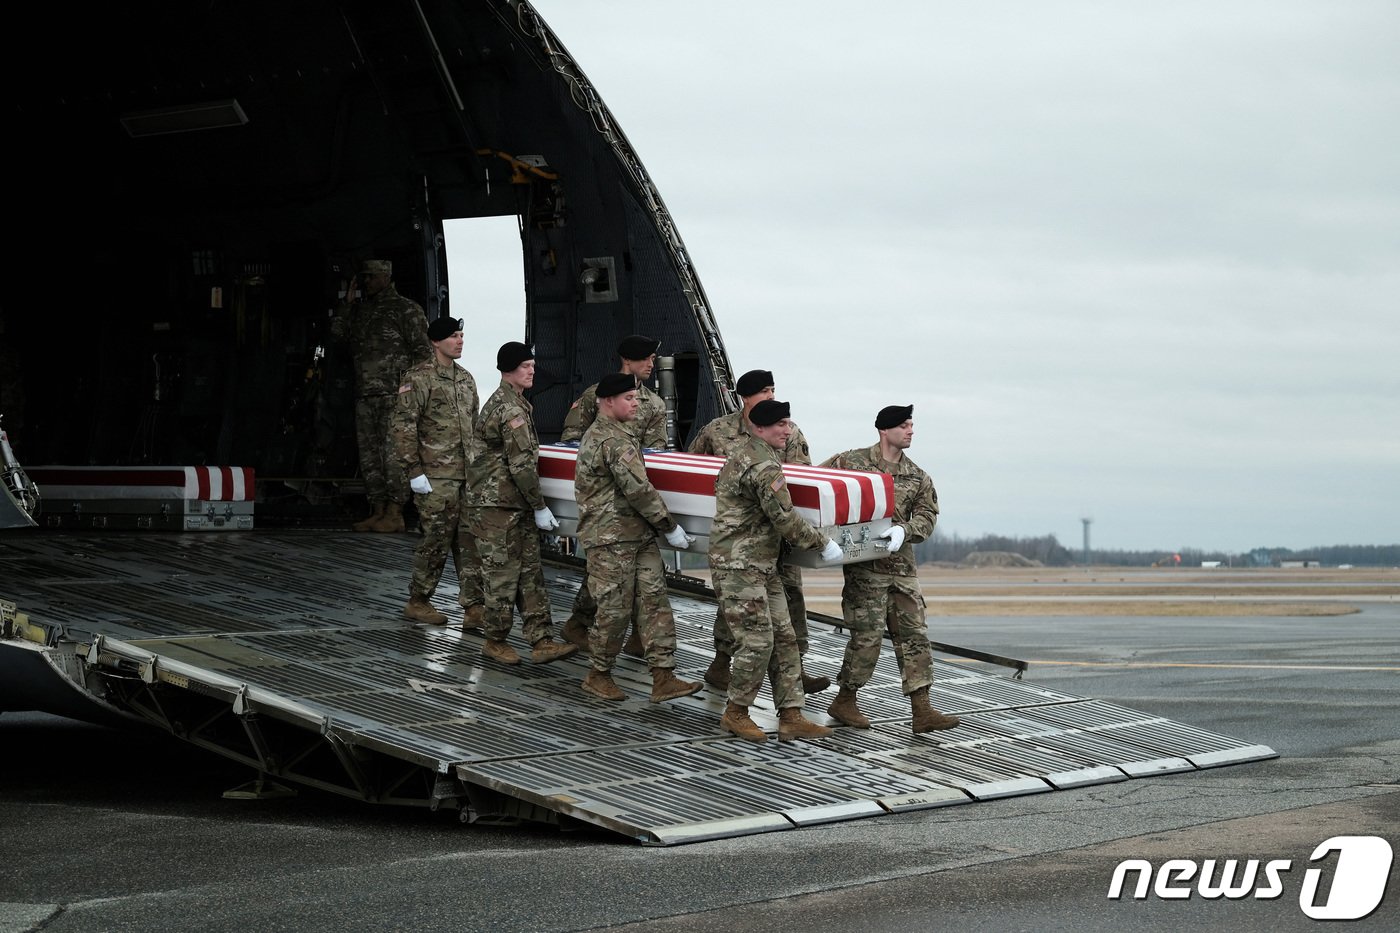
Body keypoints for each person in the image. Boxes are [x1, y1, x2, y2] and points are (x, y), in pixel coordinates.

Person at [708, 399, 843, 743]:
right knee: (757, 641)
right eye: (781, 424)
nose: (788, 430)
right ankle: (736, 712)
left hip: (760, 564)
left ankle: (791, 715)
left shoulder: (759, 457)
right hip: (740, 566)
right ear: (760, 428)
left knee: (785, 638)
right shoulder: (761, 465)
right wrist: (822, 543)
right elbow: (785, 518)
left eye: (788, 423)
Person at [820, 405, 960, 733]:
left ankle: (922, 709)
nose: (911, 431)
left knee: (914, 637)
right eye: (903, 425)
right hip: (865, 569)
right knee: (866, 637)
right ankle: (845, 699)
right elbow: (816, 487)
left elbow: (927, 517)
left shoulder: (918, 476)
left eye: (912, 425)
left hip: (902, 568)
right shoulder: (851, 462)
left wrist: (905, 530)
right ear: (884, 430)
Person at [687, 369, 828, 695]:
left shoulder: (788, 433)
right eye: (764, 391)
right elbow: (693, 469)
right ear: (744, 397)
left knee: (790, 597)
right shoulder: (717, 431)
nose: (770, 396)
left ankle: (796, 668)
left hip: (783, 532)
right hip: (742, 537)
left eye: (772, 389)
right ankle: (722, 662)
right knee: (737, 604)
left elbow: (802, 482)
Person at [573, 373, 702, 703]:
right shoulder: (610, 439)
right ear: (607, 402)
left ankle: (663, 676)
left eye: (635, 398)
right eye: (629, 399)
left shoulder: (621, 435)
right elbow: (639, 490)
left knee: (654, 602)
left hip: (637, 535)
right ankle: (598, 674)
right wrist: (669, 525)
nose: (635, 404)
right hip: (611, 537)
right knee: (614, 610)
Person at [469, 341, 577, 664]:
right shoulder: (511, 409)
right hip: (498, 506)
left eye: (532, 365)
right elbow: (521, 465)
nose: (532, 371)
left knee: (530, 572)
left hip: (512, 504)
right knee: (502, 574)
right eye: (525, 366)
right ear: (509, 370)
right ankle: (495, 639)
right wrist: (539, 505)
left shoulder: (515, 402)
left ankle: (542, 638)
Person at [558, 334, 668, 649]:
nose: (651, 364)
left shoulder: (655, 405)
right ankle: (580, 623)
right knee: (608, 571)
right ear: (627, 361)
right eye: (646, 358)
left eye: (652, 359)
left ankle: (638, 633)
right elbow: (571, 441)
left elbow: (656, 453)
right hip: (603, 498)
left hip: (635, 496)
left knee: (638, 571)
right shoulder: (597, 395)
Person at [331, 258, 432, 533]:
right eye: (364, 277)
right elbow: (337, 336)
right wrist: (347, 304)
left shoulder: (406, 309)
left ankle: (395, 512)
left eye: (372, 276)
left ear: (386, 276)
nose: (368, 282)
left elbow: (424, 352)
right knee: (370, 456)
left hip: (393, 395)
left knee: (393, 455)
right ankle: (377, 510)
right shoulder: (361, 311)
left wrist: (410, 390)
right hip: (365, 394)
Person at [390, 316, 479, 626]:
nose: (460, 341)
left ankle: (474, 606)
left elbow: (474, 426)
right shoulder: (419, 378)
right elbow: (403, 426)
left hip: (465, 476)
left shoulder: (466, 379)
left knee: (469, 542)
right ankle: (418, 599)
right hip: (435, 476)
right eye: (454, 336)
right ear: (436, 342)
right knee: (436, 541)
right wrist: (413, 471)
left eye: (461, 335)